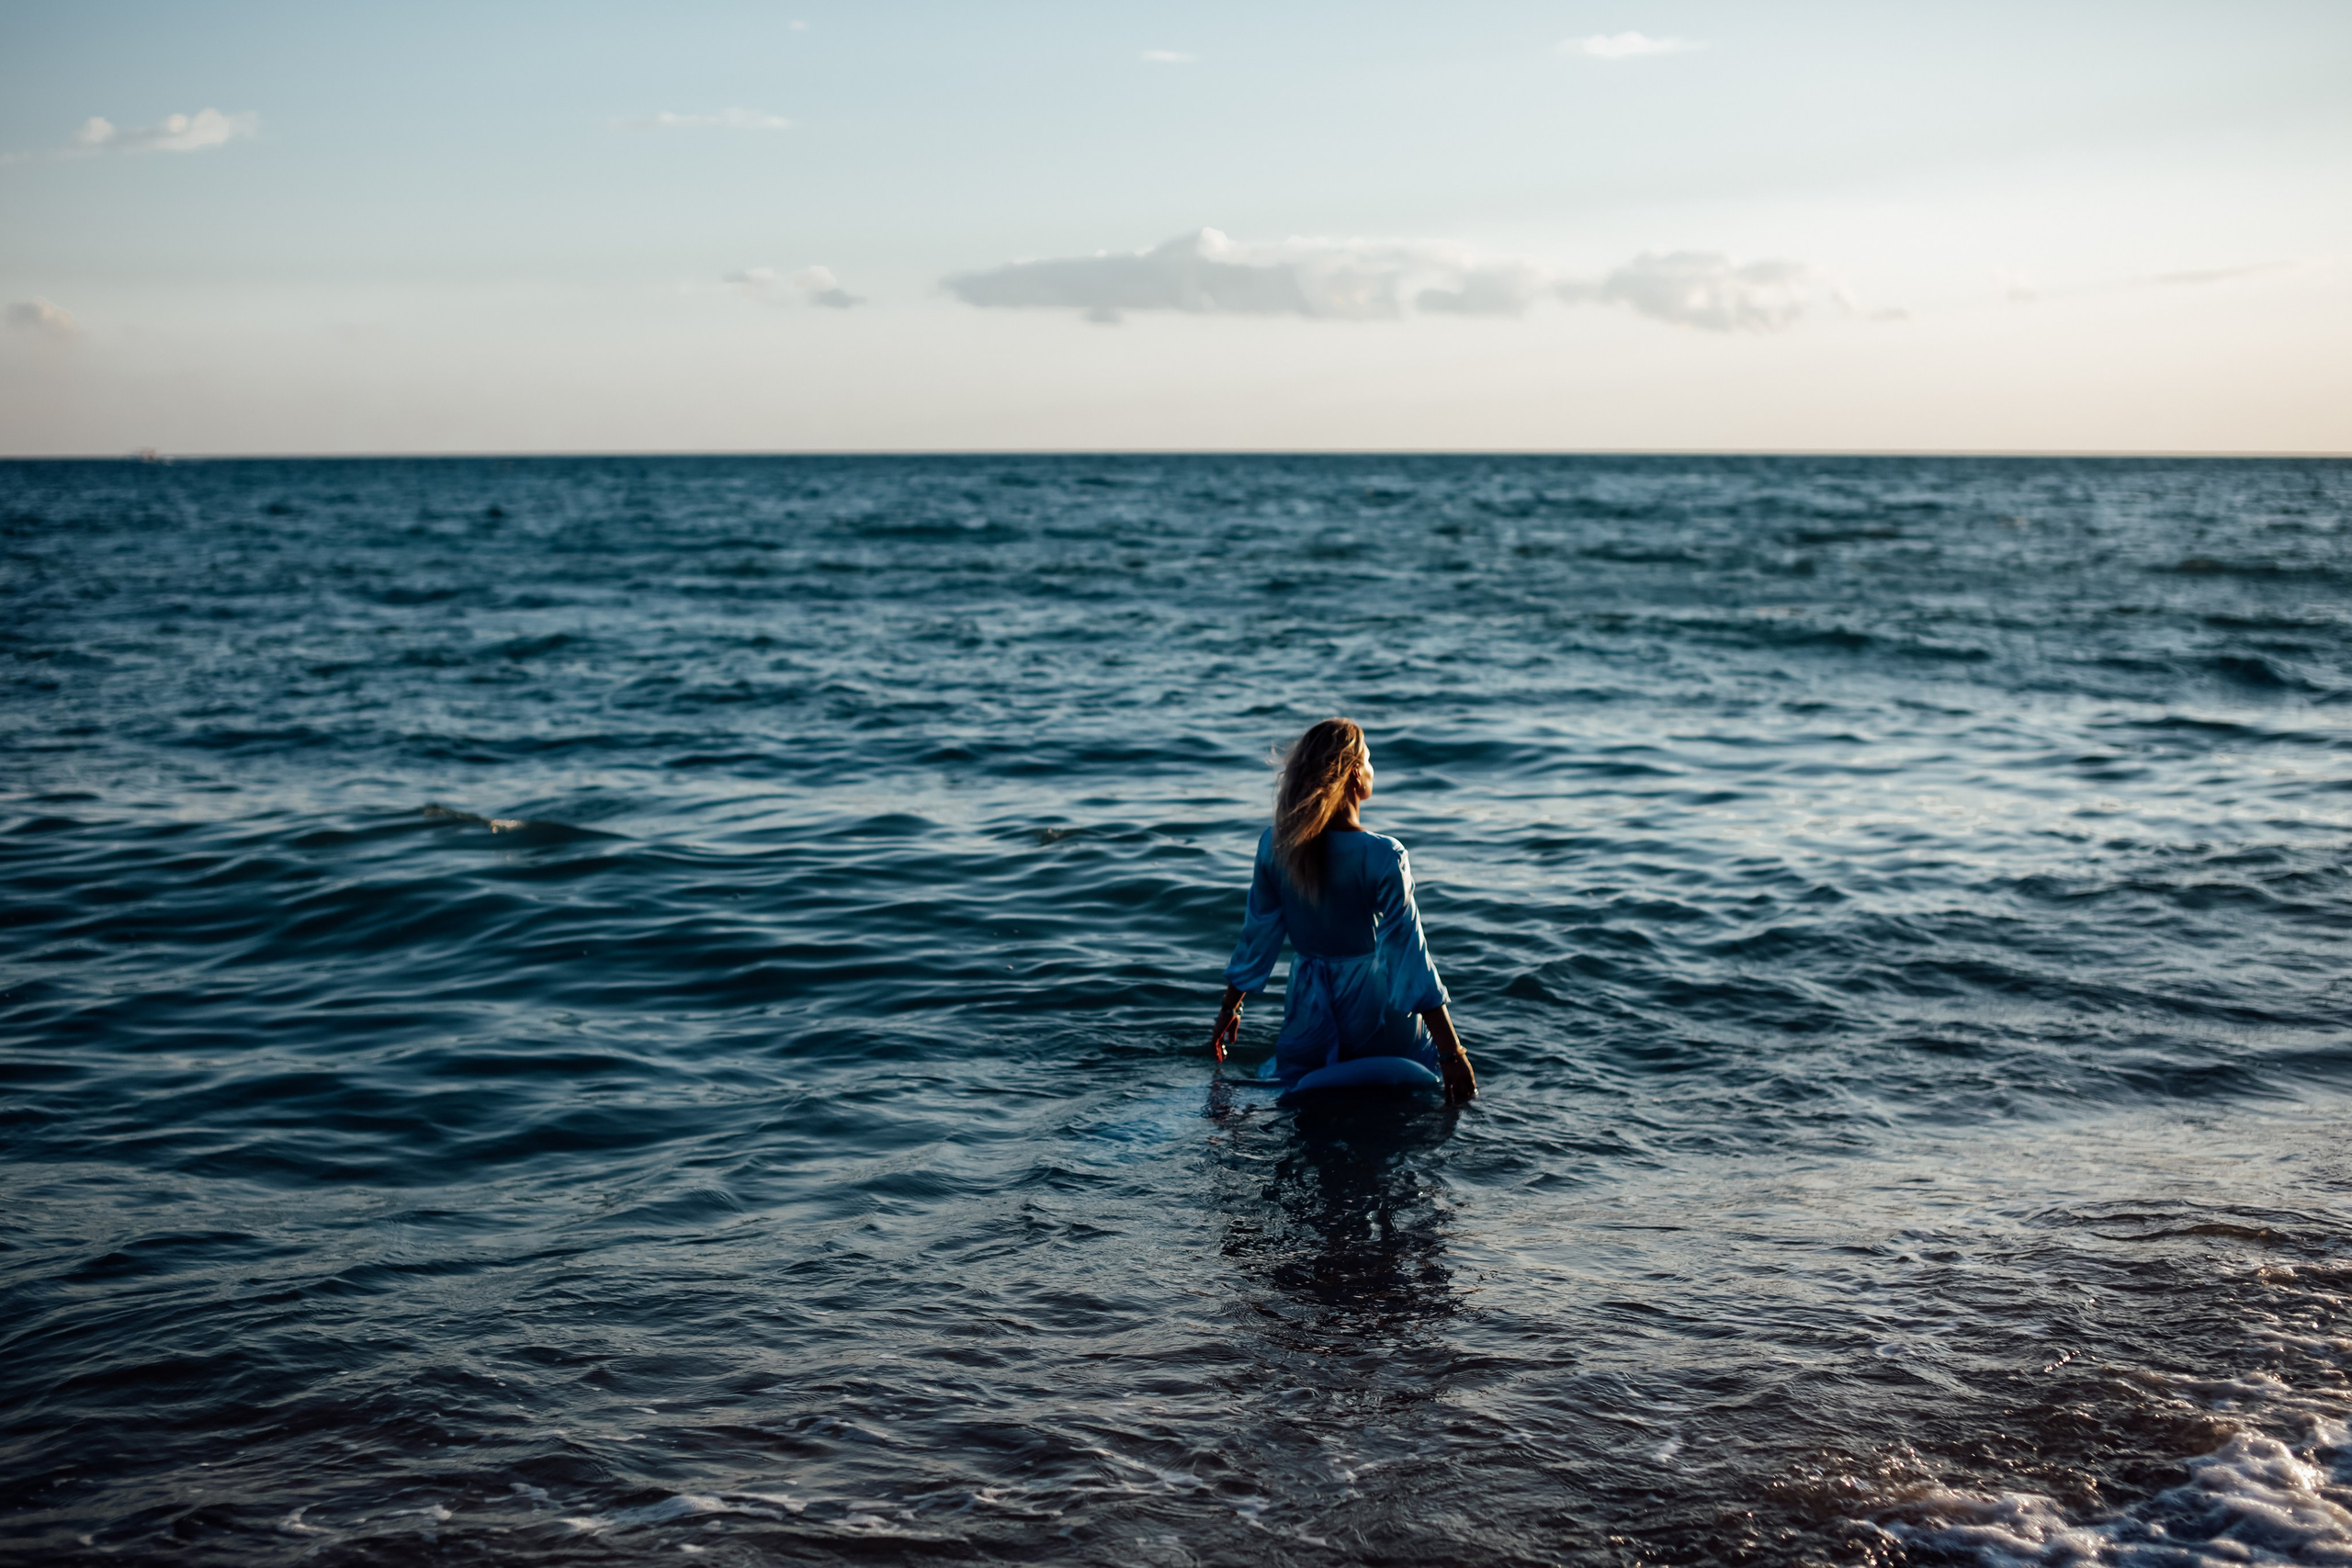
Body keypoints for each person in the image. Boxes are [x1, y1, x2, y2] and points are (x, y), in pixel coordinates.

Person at [1210, 717, 1477, 1102]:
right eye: (1368, 760)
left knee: (1302, 1100)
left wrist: (1229, 1011)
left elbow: (1257, 937)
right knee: (1402, 1106)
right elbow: (1409, 954)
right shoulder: (1383, 854)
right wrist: (1452, 1053)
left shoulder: (1275, 845)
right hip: (1376, 1015)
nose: (1372, 770)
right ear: (1354, 775)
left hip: (1308, 1013)